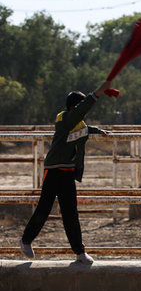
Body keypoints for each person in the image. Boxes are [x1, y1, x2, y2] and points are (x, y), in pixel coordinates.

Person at [19, 81, 112, 264]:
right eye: (80, 107)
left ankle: (79, 251)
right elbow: (80, 112)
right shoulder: (64, 118)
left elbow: (85, 129)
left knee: (71, 213)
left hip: (68, 172)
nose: (83, 112)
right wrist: (98, 92)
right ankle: (26, 240)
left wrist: (98, 130)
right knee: (44, 209)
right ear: (73, 107)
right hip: (54, 171)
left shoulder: (80, 125)